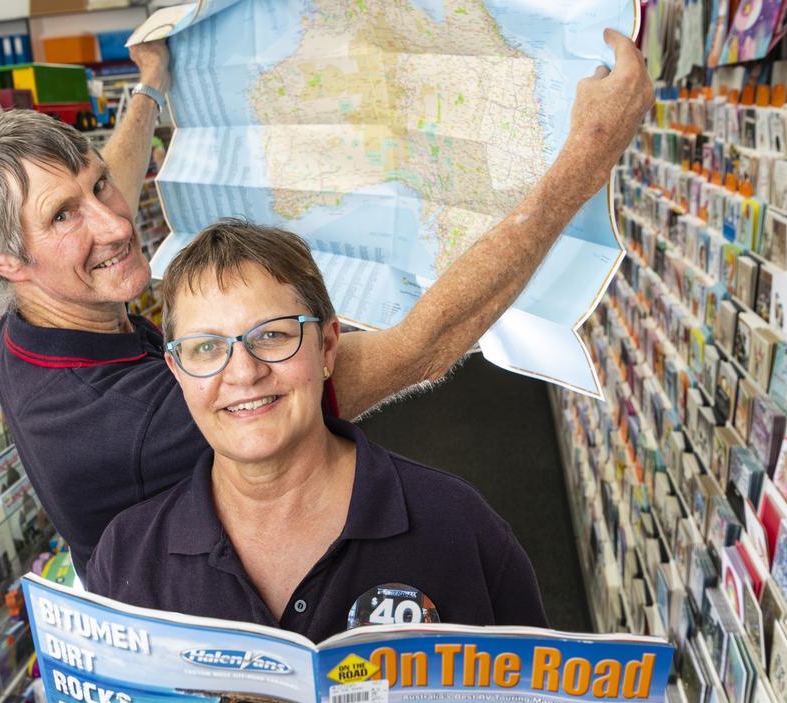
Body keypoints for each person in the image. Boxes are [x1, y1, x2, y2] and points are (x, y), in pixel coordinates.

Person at [0, 33, 653, 576]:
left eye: (98, 188)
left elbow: (100, 189)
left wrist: (149, 87)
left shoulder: (30, 321)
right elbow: (422, 347)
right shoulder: (147, 418)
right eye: (64, 218)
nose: (116, 224)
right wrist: (585, 160)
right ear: (1, 260)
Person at [85, 221, 547, 640]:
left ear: (327, 347)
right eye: (206, 347)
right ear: (177, 370)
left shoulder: (454, 526)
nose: (243, 373)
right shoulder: (127, 558)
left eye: (272, 335)